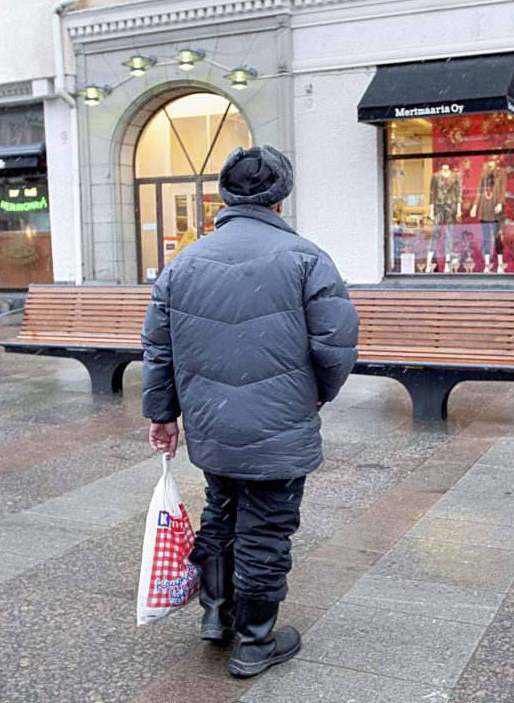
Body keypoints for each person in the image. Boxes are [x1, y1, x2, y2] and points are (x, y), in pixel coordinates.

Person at [141, 144, 359, 678]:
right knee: (266, 527)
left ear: (225, 196)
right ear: (280, 198)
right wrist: (316, 394)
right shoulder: (308, 258)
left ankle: (217, 616)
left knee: (221, 511)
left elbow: (157, 346)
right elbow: (337, 342)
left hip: (211, 421)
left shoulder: (183, 262)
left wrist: (162, 414)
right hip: (279, 422)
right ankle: (255, 642)